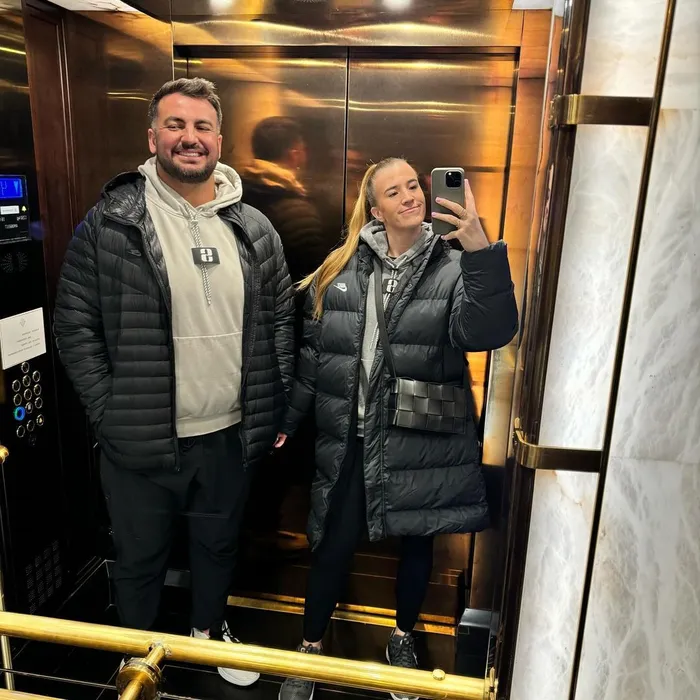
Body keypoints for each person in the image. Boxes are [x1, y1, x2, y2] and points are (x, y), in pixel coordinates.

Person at [53, 77, 295, 688]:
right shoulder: (111, 223)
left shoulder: (255, 228)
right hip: (139, 440)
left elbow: (280, 321)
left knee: (219, 546)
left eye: (202, 126)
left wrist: (272, 402)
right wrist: (109, 410)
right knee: (139, 558)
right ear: (152, 136)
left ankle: (207, 633)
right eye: (176, 125)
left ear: (219, 138)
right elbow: (74, 324)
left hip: (229, 435)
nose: (190, 137)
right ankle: (137, 653)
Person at [276, 157, 518, 700]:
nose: (410, 195)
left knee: (417, 546)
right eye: (394, 191)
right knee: (332, 544)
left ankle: (403, 638)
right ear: (375, 210)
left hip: (419, 434)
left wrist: (480, 249)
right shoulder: (341, 269)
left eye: (414, 185)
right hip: (353, 435)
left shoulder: (453, 266)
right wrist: (290, 418)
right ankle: (309, 648)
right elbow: (315, 356)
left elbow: (489, 331)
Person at [240, 116, 327, 283]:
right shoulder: (298, 212)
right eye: (303, 150)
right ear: (294, 155)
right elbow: (309, 277)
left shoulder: (234, 195)